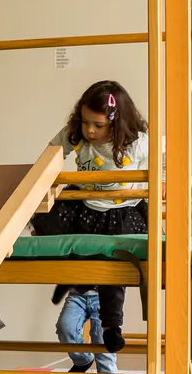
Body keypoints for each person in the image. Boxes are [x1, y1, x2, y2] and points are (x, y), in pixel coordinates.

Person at [32, 79, 151, 356]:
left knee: (111, 260)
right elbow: (51, 154)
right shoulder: (78, 133)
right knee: (46, 220)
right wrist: (43, 177)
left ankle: (112, 326)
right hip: (85, 206)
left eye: (98, 125)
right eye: (86, 122)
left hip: (121, 212)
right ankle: (72, 278)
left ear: (116, 122)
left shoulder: (136, 142)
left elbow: (167, 157)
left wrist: (164, 182)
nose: (90, 130)